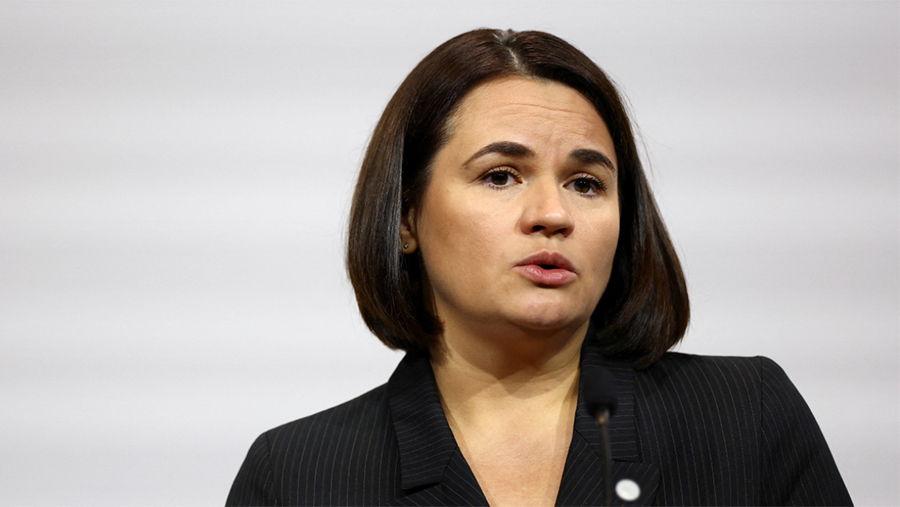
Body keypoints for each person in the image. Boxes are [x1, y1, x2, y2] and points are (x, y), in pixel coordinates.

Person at [226, 28, 852, 506]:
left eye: (586, 183)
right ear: (405, 218)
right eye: (501, 176)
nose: (553, 214)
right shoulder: (297, 476)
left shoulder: (746, 417)